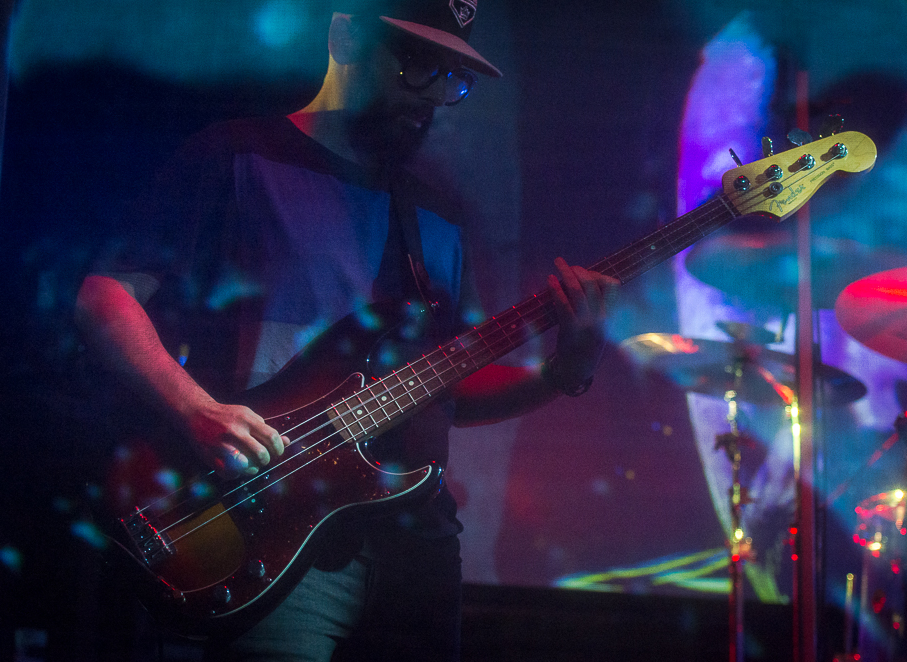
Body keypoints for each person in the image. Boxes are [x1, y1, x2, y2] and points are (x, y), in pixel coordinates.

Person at [74, 1, 618, 659]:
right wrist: (198, 410)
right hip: (265, 524)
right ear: (344, 37)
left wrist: (565, 370)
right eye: (419, 65)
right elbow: (107, 296)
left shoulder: (439, 214)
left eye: (453, 77)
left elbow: (446, 387)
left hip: (415, 547)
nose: (435, 98)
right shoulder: (236, 155)